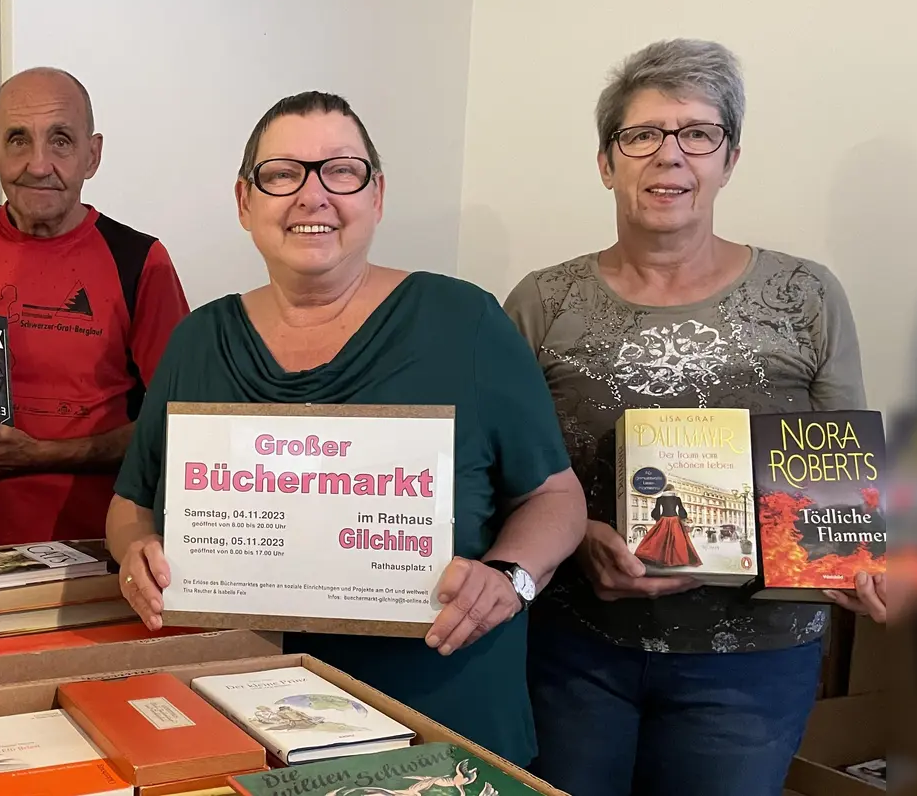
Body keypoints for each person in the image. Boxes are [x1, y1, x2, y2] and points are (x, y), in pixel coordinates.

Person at [106, 91, 588, 767]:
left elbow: (555, 497)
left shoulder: (465, 322)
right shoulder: (198, 341)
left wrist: (512, 576)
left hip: (443, 711)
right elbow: (130, 504)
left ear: (377, 195)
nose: (313, 195)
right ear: (245, 202)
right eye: (282, 174)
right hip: (244, 713)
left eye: (341, 170)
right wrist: (136, 553)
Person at [504, 38, 885, 795]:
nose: (669, 157)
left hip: (754, 659)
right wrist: (578, 537)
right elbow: (508, 469)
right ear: (607, 161)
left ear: (729, 158)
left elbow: (840, 470)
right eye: (641, 135)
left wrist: (853, 556)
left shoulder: (805, 294)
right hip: (576, 648)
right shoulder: (543, 301)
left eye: (698, 134)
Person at [0, 67, 190, 546]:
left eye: (60, 141)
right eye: (18, 140)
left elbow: (179, 424)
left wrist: (41, 454)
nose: (37, 164)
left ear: (91, 155)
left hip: (103, 552)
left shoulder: (140, 261)